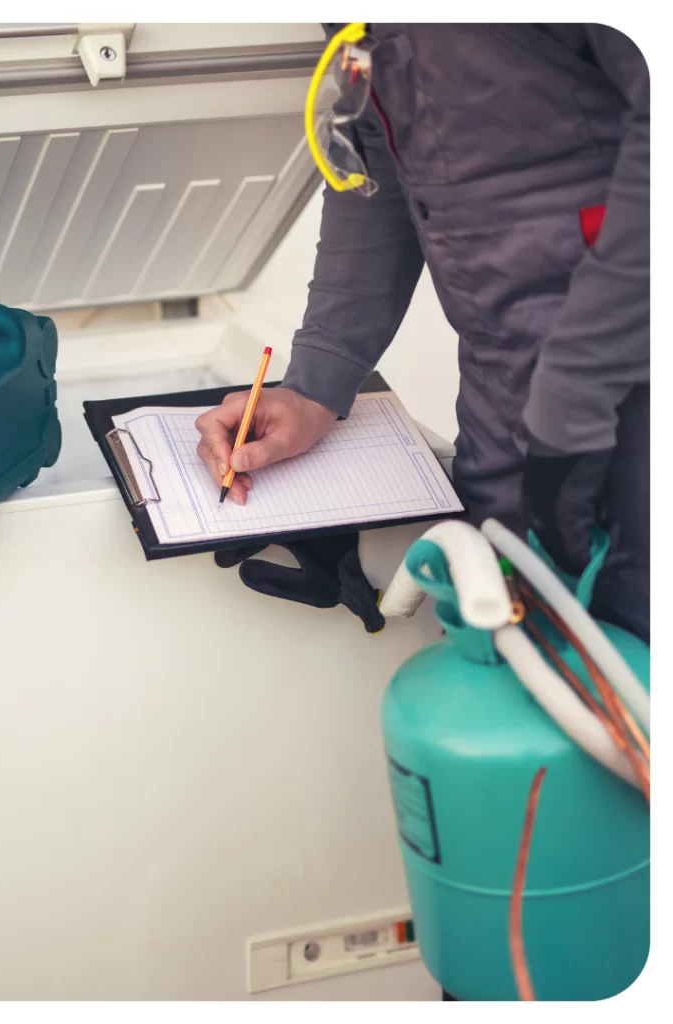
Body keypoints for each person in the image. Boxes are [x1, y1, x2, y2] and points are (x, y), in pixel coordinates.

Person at [194, 24, 649, 642]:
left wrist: (578, 381)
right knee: (508, 657)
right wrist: (316, 385)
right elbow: (379, 153)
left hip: (633, 401)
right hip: (502, 414)